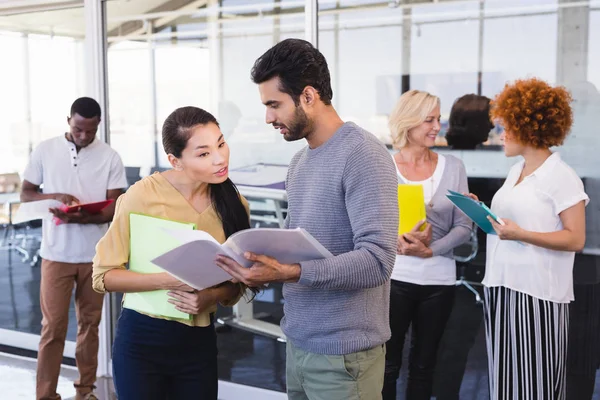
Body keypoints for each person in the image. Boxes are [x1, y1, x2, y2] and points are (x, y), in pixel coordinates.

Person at [215, 38, 398, 400]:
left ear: (309, 96)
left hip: (345, 356)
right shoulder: (300, 162)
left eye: (274, 105)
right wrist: (255, 264)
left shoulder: (363, 154)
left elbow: (378, 260)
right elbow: (299, 247)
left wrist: (290, 272)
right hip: (298, 343)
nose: (268, 117)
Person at [91, 107, 249, 400]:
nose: (219, 158)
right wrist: (169, 280)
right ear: (175, 161)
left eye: (221, 144)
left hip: (198, 343)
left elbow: (236, 282)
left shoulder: (234, 203)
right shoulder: (141, 196)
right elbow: (103, 276)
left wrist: (211, 297)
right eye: (203, 154)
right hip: (141, 341)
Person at [471, 78, 588, 400]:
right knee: (506, 382)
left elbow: (575, 238)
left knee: (534, 384)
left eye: (506, 125)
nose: (501, 133)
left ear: (528, 127)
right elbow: (507, 225)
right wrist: (480, 210)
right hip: (502, 285)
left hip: (537, 293)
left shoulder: (561, 177)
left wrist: (519, 233)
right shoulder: (516, 172)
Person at [20, 97, 127, 400]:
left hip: (96, 257)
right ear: (69, 120)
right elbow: (27, 194)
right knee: (52, 328)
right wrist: (57, 196)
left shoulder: (110, 157)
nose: (83, 136)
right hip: (56, 255)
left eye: (90, 131)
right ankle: (45, 395)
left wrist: (84, 217)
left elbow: (114, 207)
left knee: (89, 327)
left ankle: (85, 392)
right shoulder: (45, 149)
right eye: (78, 129)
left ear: (98, 125)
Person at [382, 90, 472, 400]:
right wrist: (396, 241)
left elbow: (464, 226)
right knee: (387, 366)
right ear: (408, 122)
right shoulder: (384, 167)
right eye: (429, 119)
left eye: (438, 118)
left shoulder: (453, 166)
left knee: (424, 366)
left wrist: (431, 250)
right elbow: (370, 223)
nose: (437, 126)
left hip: (439, 281)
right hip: (395, 279)